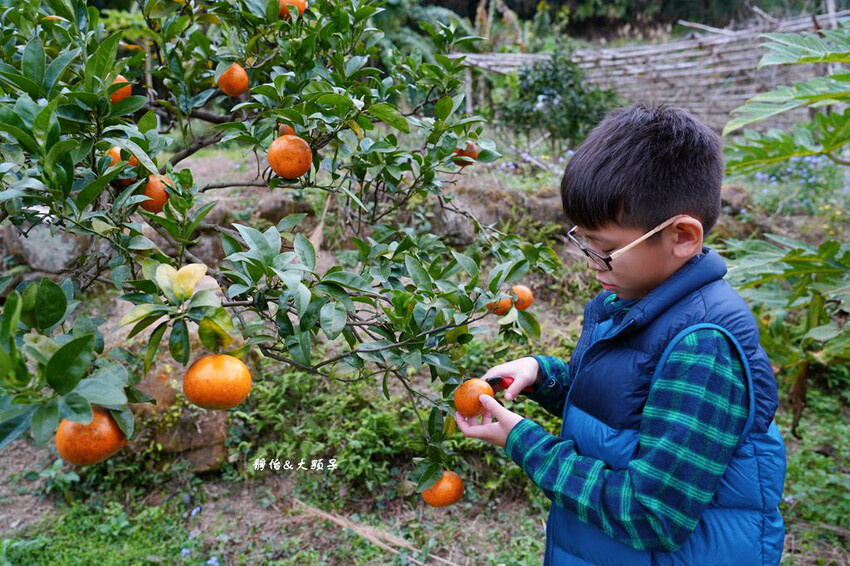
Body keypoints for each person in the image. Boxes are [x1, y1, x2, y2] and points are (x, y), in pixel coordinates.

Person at [455, 104, 786, 565]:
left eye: (606, 250)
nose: (591, 262)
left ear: (682, 236)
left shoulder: (703, 345)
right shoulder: (632, 301)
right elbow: (623, 410)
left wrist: (524, 441)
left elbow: (651, 513)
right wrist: (543, 375)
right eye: (583, 242)